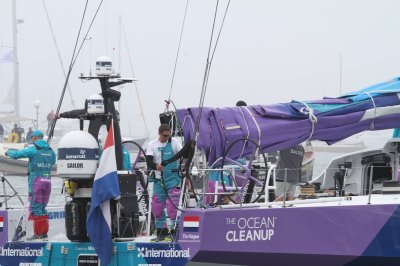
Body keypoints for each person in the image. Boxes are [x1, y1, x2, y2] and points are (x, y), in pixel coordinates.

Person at [5, 130, 56, 241]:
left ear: (36, 138)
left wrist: (8, 151)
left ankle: (38, 234)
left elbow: (17, 155)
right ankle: (44, 233)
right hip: (47, 180)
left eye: (32, 137)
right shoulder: (51, 151)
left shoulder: (33, 149)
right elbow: (53, 162)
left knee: (36, 207)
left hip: (36, 181)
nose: (31, 139)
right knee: (43, 208)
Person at [146, 124, 183, 242]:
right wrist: (156, 166)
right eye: (165, 135)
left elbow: (182, 153)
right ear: (159, 133)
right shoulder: (152, 145)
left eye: (169, 135)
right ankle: (162, 232)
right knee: (156, 207)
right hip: (158, 180)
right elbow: (149, 161)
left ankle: (174, 233)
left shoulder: (174, 142)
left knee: (172, 207)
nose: (167, 137)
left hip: (173, 179)